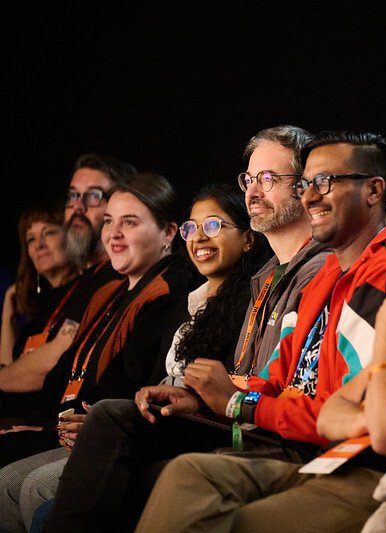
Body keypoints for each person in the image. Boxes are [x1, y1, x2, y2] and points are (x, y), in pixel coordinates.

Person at [44, 130, 386, 532]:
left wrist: (235, 403)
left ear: (374, 190)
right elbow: (276, 378)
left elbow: (342, 412)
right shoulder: (322, 271)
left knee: (166, 469)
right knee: (119, 430)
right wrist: (201, 401)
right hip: (278, 433)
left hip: (321, 454)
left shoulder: (380, 269)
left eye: (322, 182)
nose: (310, 197)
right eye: (305, 184)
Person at [135, 200, 386, 532]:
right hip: (335, 462)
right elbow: (330, 416)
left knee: (239, 524)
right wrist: (376, 414)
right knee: (187, 474)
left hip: (383, 484)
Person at [0, 182, 272, 532]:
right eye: (194, 227)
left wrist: (96, 421)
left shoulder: (206, 298)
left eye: (214, 225)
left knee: (34, 484)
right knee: (10, 479)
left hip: (178, 429)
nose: (200, 237)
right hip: (134, 423)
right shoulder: (183, 302)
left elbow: (210, 394)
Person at [0, 171, 193, 468]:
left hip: (102, 433)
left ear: (168, 233)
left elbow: (123, 385)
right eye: (108, 221)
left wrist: (49, 428)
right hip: (66, 426)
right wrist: (45, 423)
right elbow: (67, 368)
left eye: (129, 222)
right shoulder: (111, 290)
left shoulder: (167, 292)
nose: (113, 233)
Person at [0, 154, 133, 427]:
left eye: (93, 196)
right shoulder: (78, 283)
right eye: (73, 196)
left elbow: (56, 357)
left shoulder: (117, 277)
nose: (78, 207)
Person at [1, 203, 78, 369]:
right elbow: (7, 369)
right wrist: (8, 316)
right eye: (31, 239)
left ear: (72, 237)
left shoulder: (86, 293)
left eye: (49, 233)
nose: (38, 245)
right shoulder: (40, 309)